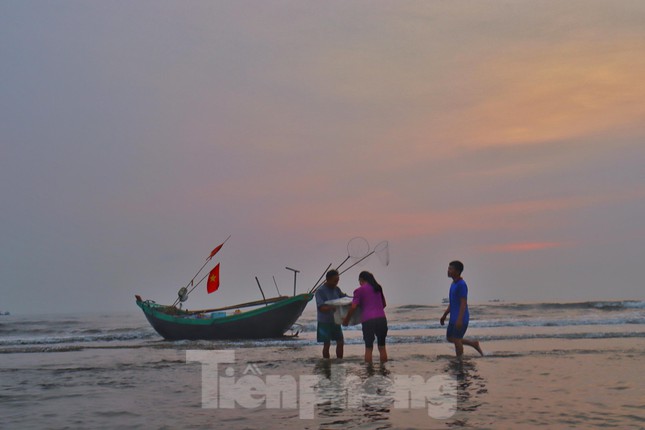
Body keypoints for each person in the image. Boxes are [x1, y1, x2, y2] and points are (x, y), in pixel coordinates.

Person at [440, 260, 483, 358]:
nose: (448, 271)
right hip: (453, 318)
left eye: (451, 269)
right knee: (450, 338)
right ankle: (473, 344)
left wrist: (459, 319)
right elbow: (452, 302)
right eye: (448, 268)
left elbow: (463, 303)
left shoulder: (461, 285)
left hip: (461, 318)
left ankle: (459, 360)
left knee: (456, 340)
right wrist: (445, 315)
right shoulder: (453, 284)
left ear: (457, 271)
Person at [343, 271, 388, 363]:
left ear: (362, 280)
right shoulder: (378, 288)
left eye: (359, 281)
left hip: (368, 320)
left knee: (368, 348)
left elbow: (353, 307)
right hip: (381, 319)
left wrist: (346, 320)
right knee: (382, 347)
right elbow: (384, 304)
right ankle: (383, 370)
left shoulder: (359, 290)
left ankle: (369, 371)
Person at [315, 269, 346, 359]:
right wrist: (332, 308)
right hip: (324, 322)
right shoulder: (320, 291)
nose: (336, 283)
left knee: (340, 341)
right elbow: (321, 307)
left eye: (338, 280)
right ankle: (326, 363)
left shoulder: (337, 289)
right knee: (327, 344)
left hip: (336, 320)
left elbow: (344, 298)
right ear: (327, 279)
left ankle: (339, 362)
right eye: (334, 281)